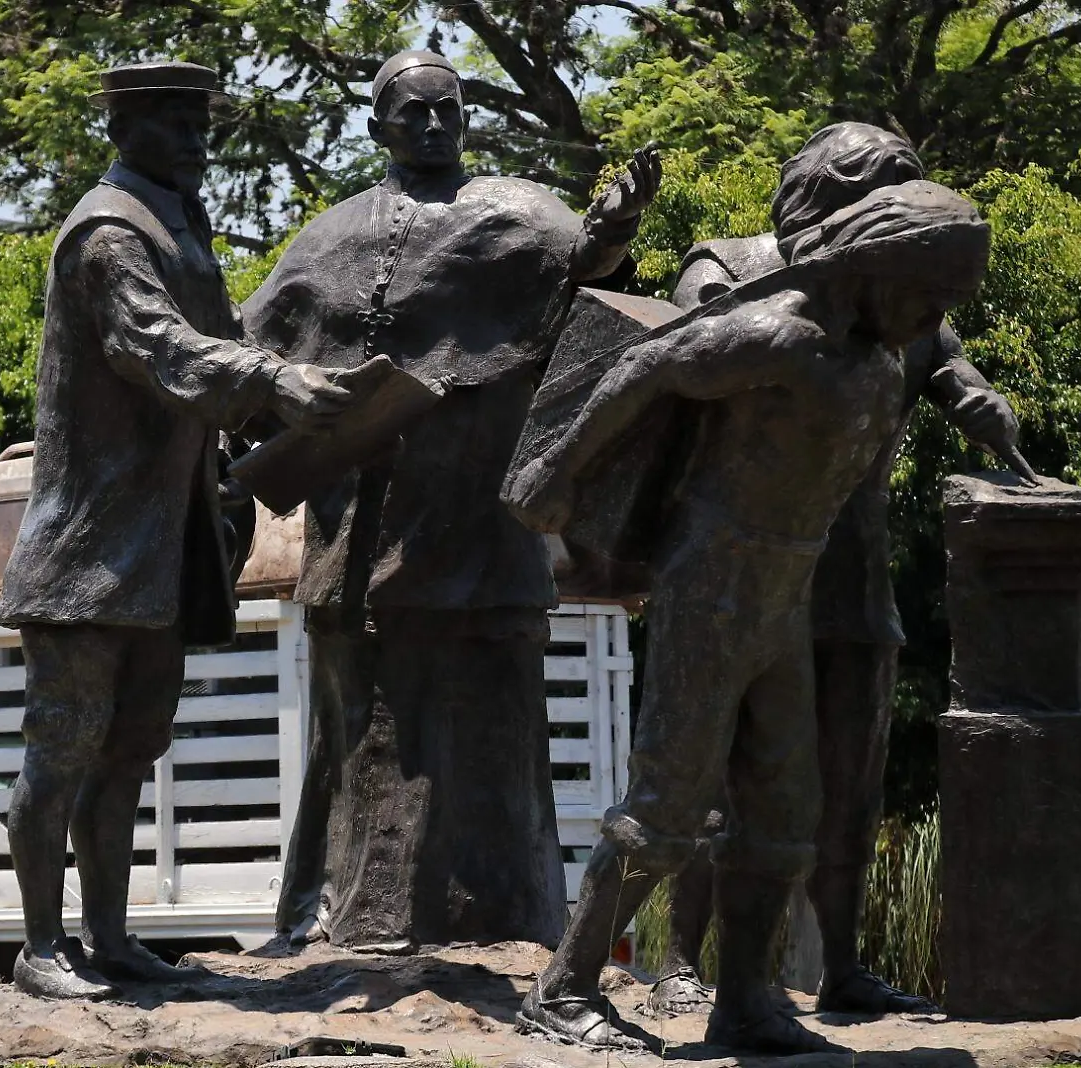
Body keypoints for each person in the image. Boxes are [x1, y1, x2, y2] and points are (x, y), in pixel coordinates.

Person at [504, 180, 992, 1053]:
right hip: (713, 583)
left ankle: (746, 1002)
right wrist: (557, 470)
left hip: (785, 592)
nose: (937, 317)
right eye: (932, 293)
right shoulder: (781, 333)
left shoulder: (876, 355)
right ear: (874, 263)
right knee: (666, 806)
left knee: (784, 811)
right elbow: (647, 364)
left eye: (952, 301)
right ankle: (565, 989)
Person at [243, 49, 660, 950]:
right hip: (359, 536)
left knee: (492, 740)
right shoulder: (329, 235)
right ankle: (345, 927)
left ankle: (506, 928)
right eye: (414, 112)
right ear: (377, 126)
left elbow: (581, 271)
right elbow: (256, 347)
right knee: (358, 742)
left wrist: (614, 232)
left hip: (481, 531)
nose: (434, 127)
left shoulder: (517, 213)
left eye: (448, 111)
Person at [0, 61, 362, 1001]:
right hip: (88, 548)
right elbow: (156, 347)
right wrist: (271, 381)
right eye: (178, 125)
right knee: (62, 750)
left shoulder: (181, 223)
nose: (201, 142)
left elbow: (222, 348)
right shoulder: (109, 234)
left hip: (163, 546)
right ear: (123, 127)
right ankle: (39, 948)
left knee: (129, 751)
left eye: (205, 125)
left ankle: (108, 939)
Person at [646, 123, 1029, 1018]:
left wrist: (980, 401)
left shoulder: (901, 290)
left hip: (853, 561)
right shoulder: (727, 266)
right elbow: (679, 369)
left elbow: (947, 363)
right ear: (817, 191)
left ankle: (843, 969)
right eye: (869, 192)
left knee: (848, 777)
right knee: (706, 769)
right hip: (737, 553)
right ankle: (677, 963)